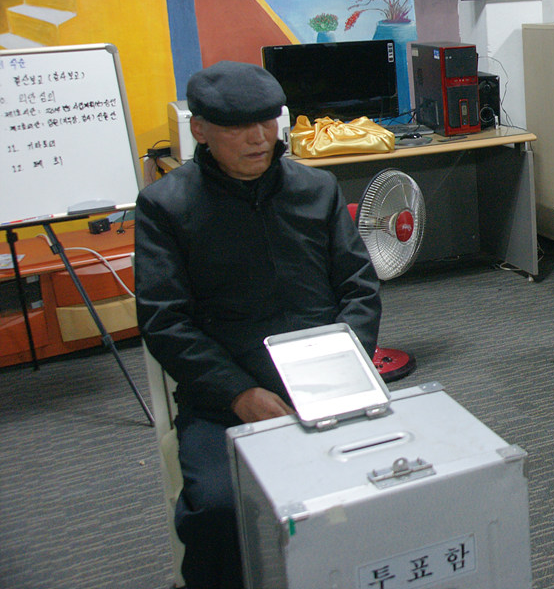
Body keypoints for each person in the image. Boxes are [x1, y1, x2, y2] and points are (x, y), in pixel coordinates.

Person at [136, 61, 381, 589]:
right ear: (200, 130)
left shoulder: (316, 188)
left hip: (331, 386)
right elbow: (163, 319)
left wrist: (344, 366)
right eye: (237, 127)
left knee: (399, 480)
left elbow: (359, 288)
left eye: (268, 121)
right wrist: (238, 393)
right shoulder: (166, 205)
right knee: (220, 511)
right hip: (225, 400)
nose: (258, 138)